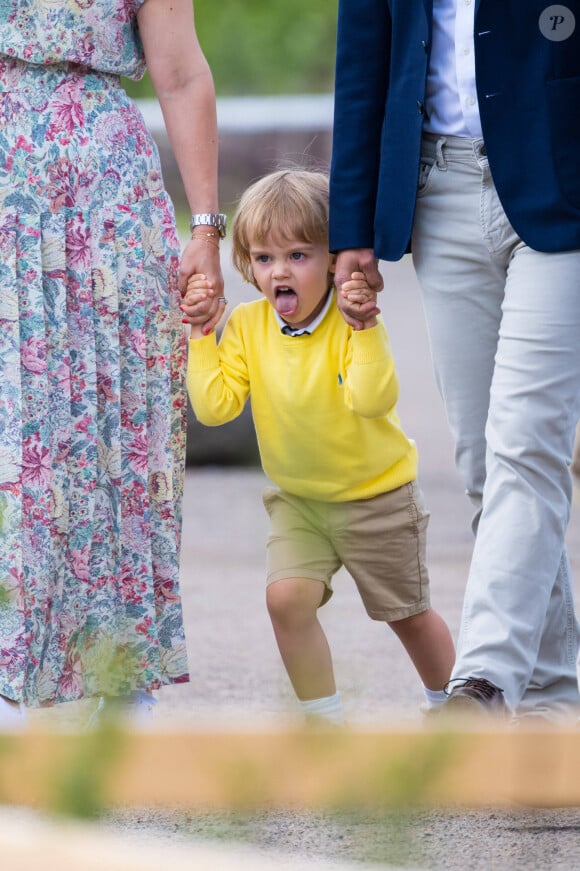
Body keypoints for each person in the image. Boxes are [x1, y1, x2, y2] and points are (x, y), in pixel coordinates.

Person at [329, 1, 580, 721]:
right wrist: (352, 224)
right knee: (484, 461)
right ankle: (555, 710)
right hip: (438, 188)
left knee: (526, 442)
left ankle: (484, 680)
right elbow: (364, 58)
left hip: (560, 188)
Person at [0, 0, 225, 729]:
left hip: (104, 187)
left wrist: (205, 229)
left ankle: (122, 672)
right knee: (16, 426)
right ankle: (11, 666)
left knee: (119, 420)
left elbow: (183, 73)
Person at [182, 168, 455, 725]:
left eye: (298, 255)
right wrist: (201, 335)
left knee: (407, 614)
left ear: (334, 259)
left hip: (376, 497)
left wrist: (364, 330)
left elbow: (373, 399)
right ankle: (324, 723)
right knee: (285, 600)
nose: (278, 271)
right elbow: (215, 408)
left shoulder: (351, 321)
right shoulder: (247, 326)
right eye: (263, 259)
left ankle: (452, 706)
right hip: (300, 502)